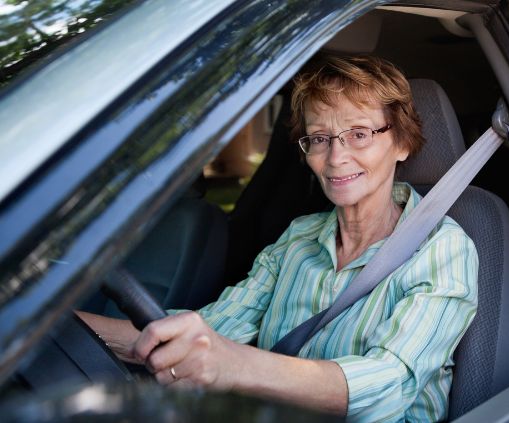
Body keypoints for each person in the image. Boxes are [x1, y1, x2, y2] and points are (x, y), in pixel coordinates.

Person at [79, 55, 478, 422]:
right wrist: (61, 327)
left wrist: (236, 365)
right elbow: (209, 333)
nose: (336, 158)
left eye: (359, 134)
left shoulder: (442, 249)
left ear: (402, 142)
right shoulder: (298, 238)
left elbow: (389, 385)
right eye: (319, 138)